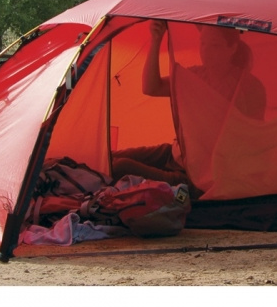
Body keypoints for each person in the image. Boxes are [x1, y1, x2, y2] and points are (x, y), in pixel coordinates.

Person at [112, 20, 267, 188]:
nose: (205, 51)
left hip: (197, 175)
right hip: (176, 153)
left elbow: (250, 141)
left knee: (119, 167)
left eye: (214, 45)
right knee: (109, 157)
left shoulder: (247, 87)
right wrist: (156, 40)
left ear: (232, 48)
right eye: (202, 43)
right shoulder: (196, 76)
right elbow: (152, 88)